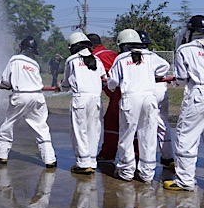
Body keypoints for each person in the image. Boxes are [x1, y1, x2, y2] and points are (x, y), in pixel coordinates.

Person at [163, 15, 204, 194]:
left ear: (191, 31)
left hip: (200, 94)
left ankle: (184, 180)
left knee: (186, 138)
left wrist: (175, 82)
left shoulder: (185, 50)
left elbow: (183, 79)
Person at [107, 29, 170, 183]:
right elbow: (165, 66)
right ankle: (147, 174)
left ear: (122, 45)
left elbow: (113, 82)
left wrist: (112, 85)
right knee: (148, 136)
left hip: (131, 99)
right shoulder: (150, 56)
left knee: (127, 135)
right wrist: (152, 75)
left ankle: (126, 171)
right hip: (149, 98)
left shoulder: (121, 58)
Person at [0, 36, 57, 168]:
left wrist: (1, 85)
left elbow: (6, 81)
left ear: (21, 47)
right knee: (41, 127)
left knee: (8, 124)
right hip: (37, 97)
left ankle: (2, 156)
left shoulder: (14, 59)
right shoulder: (34, 64)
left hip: (21, 96)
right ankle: (50, 159)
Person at [59, 32, 106, 175]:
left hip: (80, 98)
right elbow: (103, 77)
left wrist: (60, 86)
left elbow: (66, 84)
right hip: (96, 99)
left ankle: (83, 163)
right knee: (94, 130)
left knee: (79, 131)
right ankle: (92, 161)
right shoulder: (97, 60)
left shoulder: (71, 60)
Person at [136, 30, 174, 170]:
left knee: (147, 125)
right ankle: (167, 155)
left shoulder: (137, 56)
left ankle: (146, 160)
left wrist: (150, 76)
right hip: (161, 90)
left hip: (150, 91)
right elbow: (165, 65)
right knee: (162, 123)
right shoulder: (153, 55)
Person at [88, 33, 120, 161]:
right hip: (131, 90)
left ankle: (108, 154)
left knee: (111, 122)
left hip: (118, 92)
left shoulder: (94, 57)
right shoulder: (112, 53)